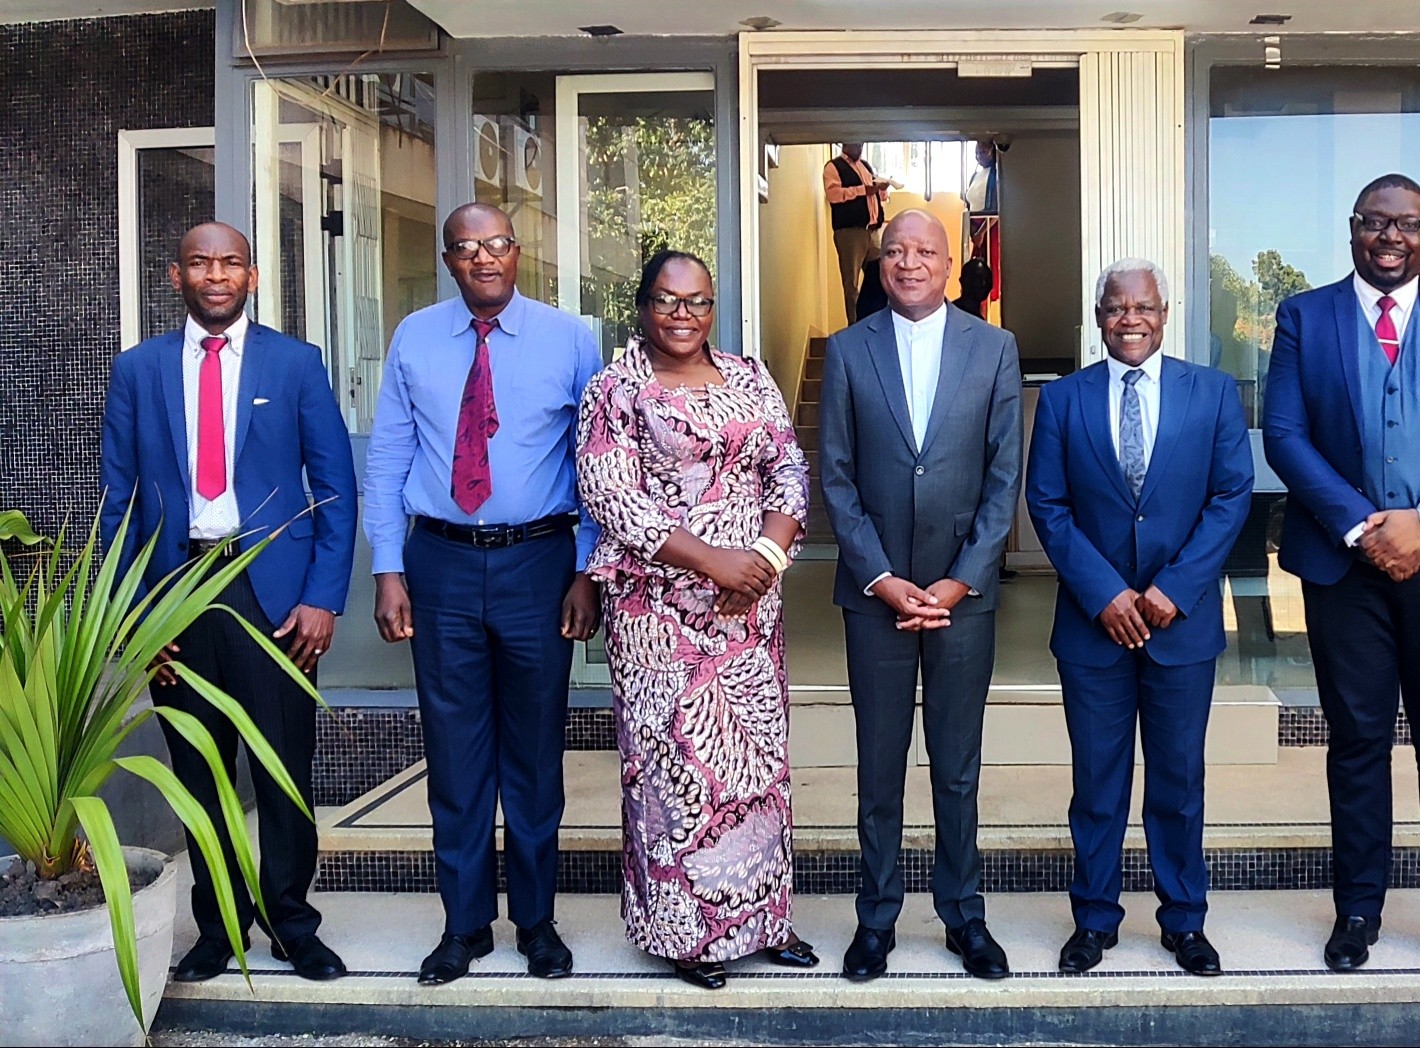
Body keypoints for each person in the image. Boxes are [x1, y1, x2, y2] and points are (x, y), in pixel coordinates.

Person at [1264, 173, 1420, 980]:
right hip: (1344, 568)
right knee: (1356, 743)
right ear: (1353, 229)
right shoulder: (1305, 316)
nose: (1391, 238)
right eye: (1376, 223)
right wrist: (1361, 526)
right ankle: (1358, 910)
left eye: (1407, 224)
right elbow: (1285, 433)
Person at [100, 222, 356, 983]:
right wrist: (135, 617)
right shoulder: (138, 369)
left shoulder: (296, 363)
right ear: (175, 275)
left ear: (252, 276)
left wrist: (323, 599)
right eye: (200, 263)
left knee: (283, 768)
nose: (216, 274)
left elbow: (335, 489)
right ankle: (218, 929)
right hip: (176, 594)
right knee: (196, 768)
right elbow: (118, 505)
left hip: (272, 596)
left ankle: (292, 924)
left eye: (231, 262)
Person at [363, 203, 603, 986]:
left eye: (496, 244)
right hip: (441, 564)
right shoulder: (414, 338)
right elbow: (389, 456)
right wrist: (388, 569)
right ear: (449, 260)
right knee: (456, 756)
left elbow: (599, 463)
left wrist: (587, 571)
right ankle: (463, 925)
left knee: (534, 756)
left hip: (539, 562)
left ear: (517, 252)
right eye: (466, 248)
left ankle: (536, 922)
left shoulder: (571, 340)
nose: (483, 258)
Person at [575, 248, 818, 989]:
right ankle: (687, 934)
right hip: (657, 615)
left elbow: (788, 468)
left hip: (749, 609)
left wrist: (763, 562)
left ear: (715, 307)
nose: (683, 315)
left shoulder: (750, 376)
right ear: (642, 306)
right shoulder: (616, 388)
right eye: (667, 300)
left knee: (757, 768)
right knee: (675, 769)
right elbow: (611, 495)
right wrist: (715, 563)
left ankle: (765, 922)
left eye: (699, 301)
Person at [1024, 258, 1253, 976]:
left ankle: (1184, 920)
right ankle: (1094, 920)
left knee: (1179, 784)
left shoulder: (1212, 392)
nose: (1131, 319)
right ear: (1100, 319)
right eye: (1117, 308)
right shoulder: (1063, 400)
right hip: (1093, 628)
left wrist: (1174, 590)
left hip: (1181, 626)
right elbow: (1047, 505)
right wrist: (1106, 594)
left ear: (1164, 314)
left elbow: (1232, 495)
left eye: (1144, 307)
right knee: (1098, 785)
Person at [819, 208, 1023, 981]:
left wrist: (961, 578)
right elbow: (835, 475)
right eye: (895, 251)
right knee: (879, 769)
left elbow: (1004, 477)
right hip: (874, 595)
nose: (909, 262)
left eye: (925, 251)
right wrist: (880, 576)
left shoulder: (993, 348)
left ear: (949, 265)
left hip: (960, 597)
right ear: (881, 264)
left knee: (957, 768)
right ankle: (876, 920)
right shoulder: (849, 350)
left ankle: (964, 916)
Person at [824, 142, 892, 326]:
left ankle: (876, 321)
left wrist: (881, 190)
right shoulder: (833, 166)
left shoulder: (866, 166)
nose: (860, 148)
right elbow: (833, 194)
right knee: (851, 283)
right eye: (856, 144)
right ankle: (854, 326)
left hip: (872, 231)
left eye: (861, 145)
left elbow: (876, 196)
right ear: (846, 144)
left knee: (878, 276)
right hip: (850, 232)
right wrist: (862, 190)